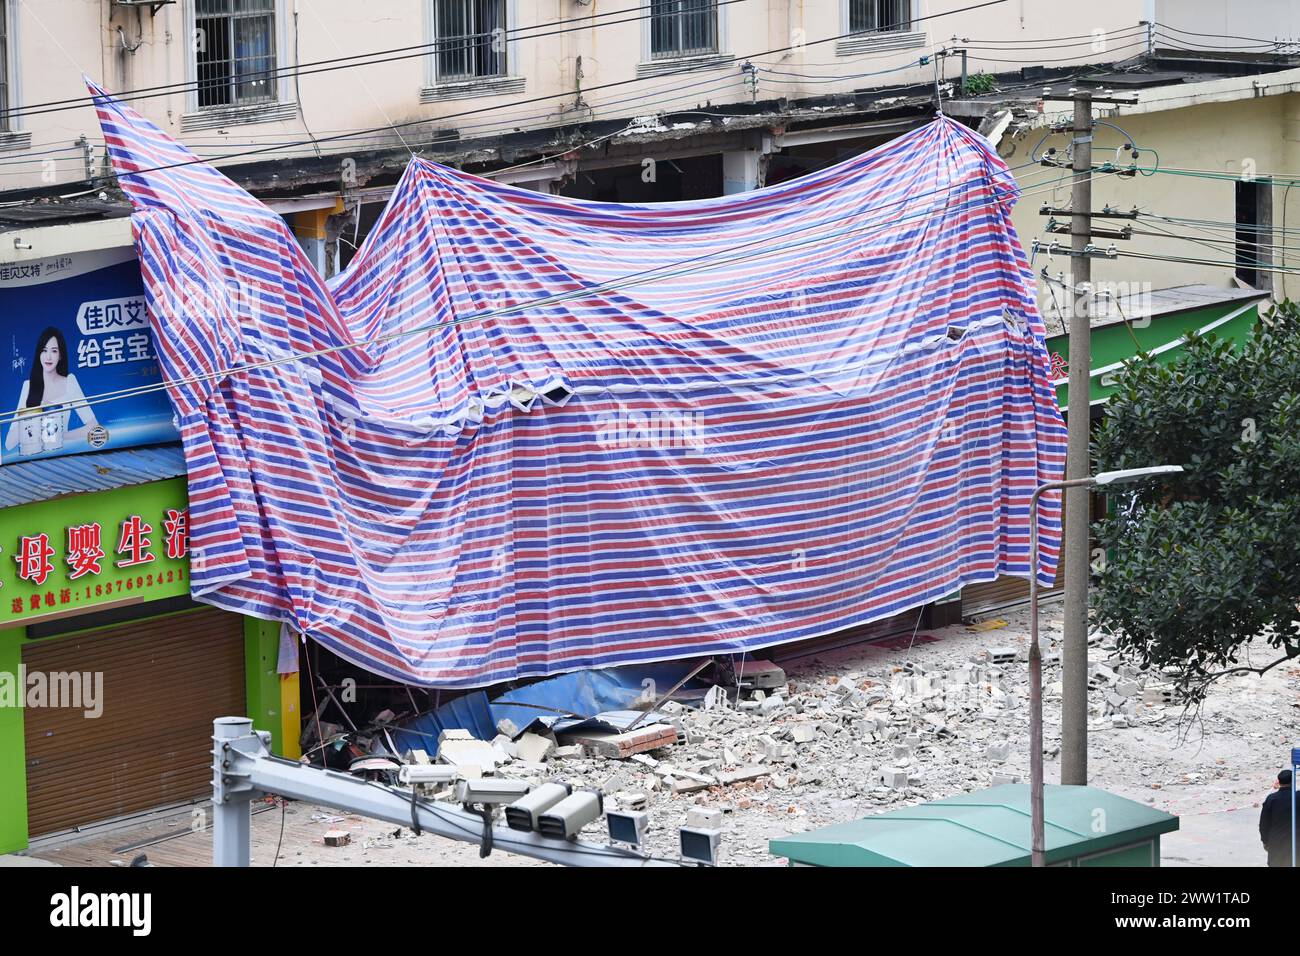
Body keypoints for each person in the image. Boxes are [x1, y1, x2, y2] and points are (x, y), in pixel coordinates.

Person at [4, 326, 99, 455]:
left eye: (54, 351)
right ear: (39, 354)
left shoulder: (69, 382)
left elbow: (94, 428)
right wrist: (35, 412)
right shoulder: (28, 386)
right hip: (32, 455)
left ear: (60, 355)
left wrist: (61, 436)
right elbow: (9, 444)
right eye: (44, 350)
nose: (48, 356)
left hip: (60, 453)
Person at [1259, 769, 1297, 867]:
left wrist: (1265, 841)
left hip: (1276, 842)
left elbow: (1264, 823)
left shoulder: (1271, 799)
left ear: (1279, 782)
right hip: (1295, 842)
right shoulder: (1298, 797)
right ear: (1293, 781)